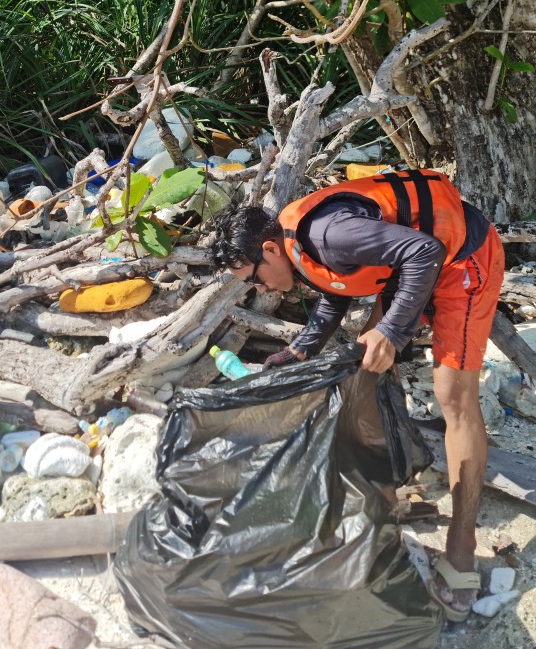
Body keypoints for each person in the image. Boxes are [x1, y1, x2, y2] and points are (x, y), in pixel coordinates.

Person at [212, 168, 504, 623]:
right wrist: (298, 349)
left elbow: (424, 251)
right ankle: (386, 493)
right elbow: (337, 289)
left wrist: (390, 330)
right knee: (360, 375)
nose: (260, 289)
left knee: (453, 397)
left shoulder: (328, 234)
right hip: (411, 268)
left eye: (254, 277)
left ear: (269, 249)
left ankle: (462, 550)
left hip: (461, 259)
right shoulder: (302, 247)